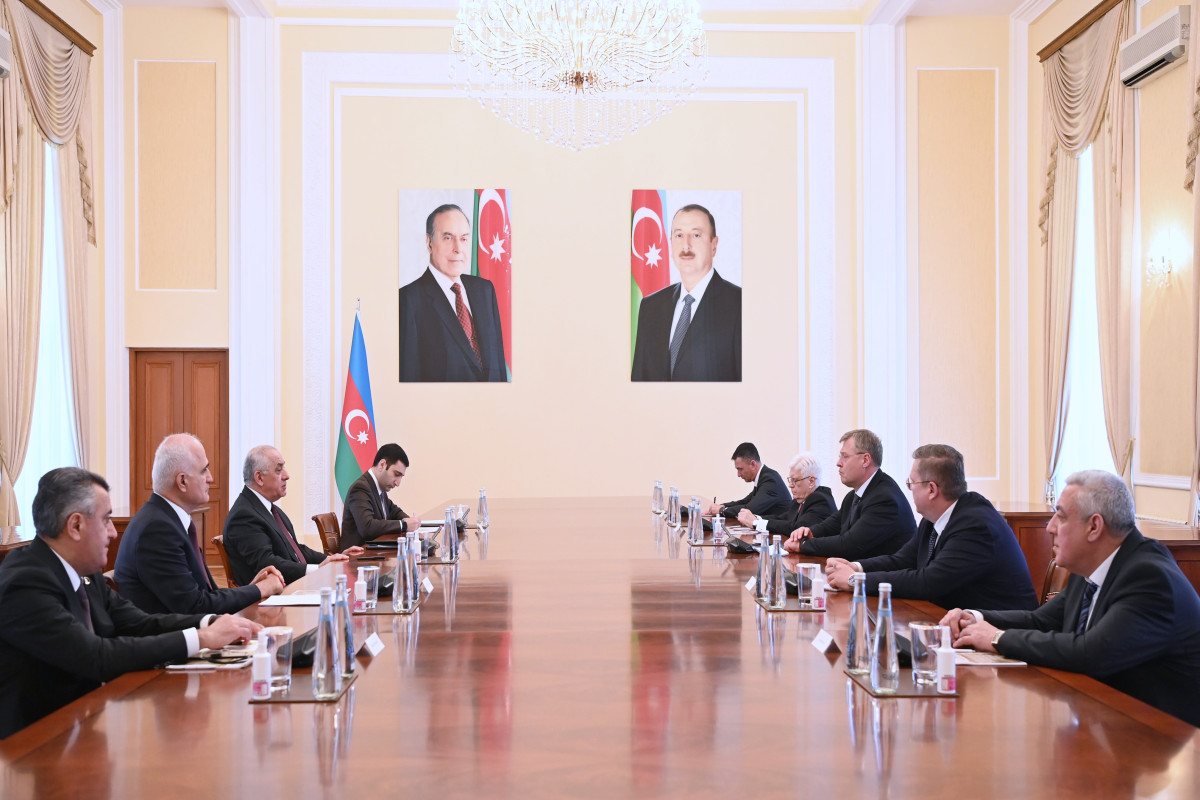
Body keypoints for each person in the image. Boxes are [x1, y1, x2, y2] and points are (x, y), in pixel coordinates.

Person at [0, 468, 260, 738]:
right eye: (106, 520)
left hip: (86, 724)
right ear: (75, 526)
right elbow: (96, 656)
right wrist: (202, 638)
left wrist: (212, 622)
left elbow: (139, 623)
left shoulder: (85, 572)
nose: (113, 533)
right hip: (34, 743)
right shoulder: (25, 583)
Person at [942, 470, 1200, 727]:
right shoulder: (1090, 565)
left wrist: (997, 638)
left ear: (1094, 527)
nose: (1050, 527)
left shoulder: (1149, 577)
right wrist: (974, 619)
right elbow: (1040, 621)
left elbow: (1093, 653)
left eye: (1061, 517)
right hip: (1104, 718)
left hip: (1161, 734)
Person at [824, 444, 1037, 610]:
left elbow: (928, 582)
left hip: (999, 635)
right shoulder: (934, 517)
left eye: (911, 483)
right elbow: (902, 560)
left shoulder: (976, 525)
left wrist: (855, 581)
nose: (909, 489)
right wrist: (856, 567)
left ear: (932, 490)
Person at [114, 434, 285, 614]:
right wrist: (260, 589)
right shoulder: (156, 529)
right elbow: (195, 606)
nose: (210, 478)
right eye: (204, 471)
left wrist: (251, 588)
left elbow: (207, 595)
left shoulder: (167, 520)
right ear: (182, 481)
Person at [223, 446, 364, 586]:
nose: (286, 476)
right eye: (278, 470)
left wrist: (332, 560)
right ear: (259, 477)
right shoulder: (243, 516)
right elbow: (267, 564)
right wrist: (317, 569)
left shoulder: (269, 509)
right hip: (271, 597)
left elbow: (296, 549)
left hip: (292, 587)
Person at [631, 204, 741, 382]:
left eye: (696, 235)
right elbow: (639, 380)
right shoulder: (650, 306)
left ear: (714, 245)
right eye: (679, 235)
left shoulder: (739, 304)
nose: (686, 245)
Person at [398, 203, 508, 382]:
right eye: (448, 238)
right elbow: (409, 380)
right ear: (429, 242)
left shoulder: (485, 290)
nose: (458, 248)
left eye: (464, 239)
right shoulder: (407, 301)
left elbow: (498, 367)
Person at [787, 429, 914, 559]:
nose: (838, 463)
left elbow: (850, 545)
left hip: (885, 572)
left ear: (865, 460)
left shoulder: (885, 499)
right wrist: (809, 532)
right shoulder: (853, 496)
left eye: (845, 456)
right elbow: (831, 526)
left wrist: (803, 545)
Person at [340, 443, 423, 550]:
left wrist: (413, 524)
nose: (398, 483)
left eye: (401, 477)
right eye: (396, 474)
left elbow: (395, 512)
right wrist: (404, 525)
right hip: (358, 557)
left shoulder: (379, 488)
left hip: (374, 554)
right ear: (382, 465)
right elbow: (367, 527)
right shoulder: (360, 488)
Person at [736, 452, 837, 536]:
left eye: (795, 480)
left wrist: (757, 523)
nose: (790, 485)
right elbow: (782, 518)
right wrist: (755, 518)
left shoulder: (822, 501)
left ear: (811, 481)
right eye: (790, 480)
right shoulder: (799, 500)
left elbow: (796, 528)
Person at [706, 442, 790, 519]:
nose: (738, 475)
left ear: (753, 464)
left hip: (779, 530)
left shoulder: (770, 480)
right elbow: (745, 502)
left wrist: (721, 510)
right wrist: (722, 506)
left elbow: (750, 509)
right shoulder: (764, 477)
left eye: (740, 469)